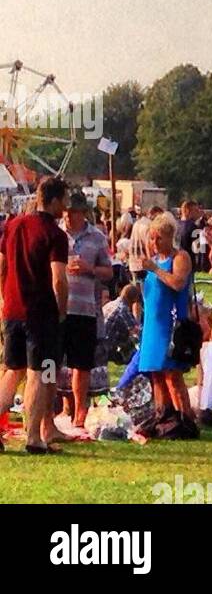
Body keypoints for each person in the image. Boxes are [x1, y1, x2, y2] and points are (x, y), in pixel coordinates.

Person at [0, 175, 70, 453]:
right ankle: (34, 437)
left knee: (11, 372)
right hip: (40, 313)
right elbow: (59, 279)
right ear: (52, 200)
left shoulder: (13, 225)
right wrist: (61, 310)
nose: (65, 206)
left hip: (12, 310)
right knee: (39, 374)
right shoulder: (55, 234)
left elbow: (2, 265)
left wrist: (5, 296)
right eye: (63, 200)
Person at [137, 211, 199, 438]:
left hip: (172, 324)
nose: (154, 243)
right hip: (153, 324)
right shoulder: (154, 262)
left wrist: (154, 270)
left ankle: (185, 419)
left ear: (169, 237)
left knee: (173, 373)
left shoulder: (179, 257)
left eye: (159, 238)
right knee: (156, 373)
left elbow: (178, 283)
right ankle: (163, 417)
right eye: (152, 238)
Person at [61, 189, 113, 433]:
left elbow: (109, 272)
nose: (69, 216)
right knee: (52, 361)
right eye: (67, 212)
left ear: (83, 213)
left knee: (81, 363)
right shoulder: (56, 234)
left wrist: (89, 268)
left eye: (74, 212)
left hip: (85, 309)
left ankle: (80, 409)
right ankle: (59, 405)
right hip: (59, 308)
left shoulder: (97, 237)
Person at [103, 282, 143, 364]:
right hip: (108, 347)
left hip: (100, 342)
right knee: (138, 351)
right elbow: (136, 331)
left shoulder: (110, 304)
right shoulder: (123, 309)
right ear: (134, 299)